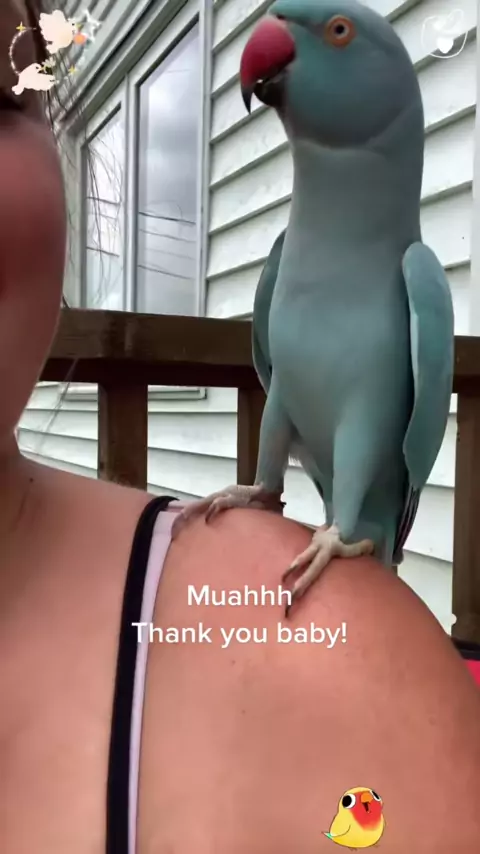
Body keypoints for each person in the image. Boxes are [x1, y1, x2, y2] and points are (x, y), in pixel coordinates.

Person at [1, 1, 480, 852]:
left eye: (337, 33)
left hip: (364, 516)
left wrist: (352, 532)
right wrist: (262, 488)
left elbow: (390, 426)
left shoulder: (418, 284)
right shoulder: (281, 263)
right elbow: (281, 381)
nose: (276, 40)